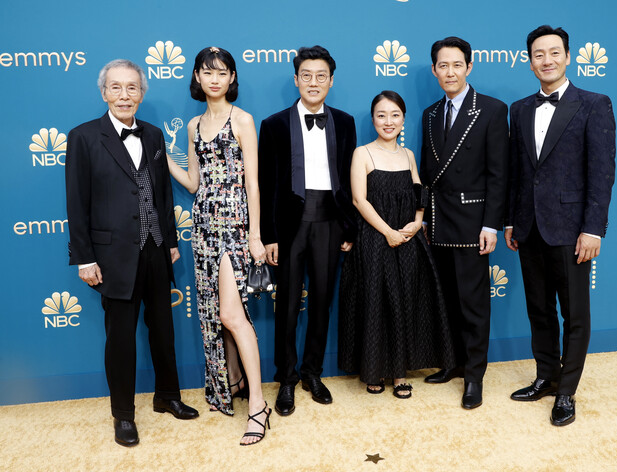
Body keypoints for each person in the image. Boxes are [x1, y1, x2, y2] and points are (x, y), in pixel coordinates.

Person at [65, 59, 199, 447]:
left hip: (155, 248)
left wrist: (170, 242)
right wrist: (85, 258)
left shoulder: (154, 135)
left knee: (163, 331)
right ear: (104, 92)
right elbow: (76, 201)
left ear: (142, 93)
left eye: (132, 88)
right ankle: (123, 415)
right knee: (121, 338)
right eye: (116, 87)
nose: (124, 95)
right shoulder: (83, 137)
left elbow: (163, 194)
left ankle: (167, 396)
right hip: (113, 256)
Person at [505, 25, 615, 426]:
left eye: (554, 53)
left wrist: (593, 228)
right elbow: (518, 172)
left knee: (575, 313)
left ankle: (566, 391)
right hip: (529, 226)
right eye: (538, 54)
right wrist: (510, 221)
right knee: (539, 309)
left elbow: (602, 172)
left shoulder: (594, 104)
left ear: (568, 57)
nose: (546, 60)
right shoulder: (519, 108)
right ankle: (546, 376)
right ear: (529, 61)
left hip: (572, 229)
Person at [166, 47, 270, 445]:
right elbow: (194, 183)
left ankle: (258, 404)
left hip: (235, 227)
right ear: (196, 76)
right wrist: (164, 158)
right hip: (203, 227)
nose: (214, 79)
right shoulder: (193, 126)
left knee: (230, 314)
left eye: (222, 72)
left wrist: (255, 235)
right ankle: (234, 382)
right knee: (215, 314)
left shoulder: (242, 120)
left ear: (231, 78)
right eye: (207, 72)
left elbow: (253, 184)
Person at [258, 45, 357, 416]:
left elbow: (347, 179)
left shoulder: (345, 122)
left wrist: (349, 226)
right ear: (296, 80)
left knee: (321, 300)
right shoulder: (274, 125)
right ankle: (285, 377)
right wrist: (269, 235)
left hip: (330, 220)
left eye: (321, 76)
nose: (313, 82)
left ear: (331, 81)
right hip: (289, 225)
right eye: (306, 76)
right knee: (286, 304)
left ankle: (312, 372)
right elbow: (267, 184)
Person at [338, 91, 455, 399]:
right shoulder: (362, 153)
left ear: (403, 120)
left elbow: (420, 193)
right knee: (376, 304)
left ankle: (401, 373)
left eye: (394, 115)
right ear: (373, 119)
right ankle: (374, 370)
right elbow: (359, 200)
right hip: (374, 240)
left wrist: (418, 222)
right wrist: (387, 232)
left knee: (404, 303)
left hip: (407, 240)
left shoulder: (408, 155)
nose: (388, 121)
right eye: (381, 115)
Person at [420, 37, 509, 409]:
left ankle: (474, 376)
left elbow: (499, 174)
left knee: (473, 304)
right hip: (439, 222)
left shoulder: (490, 109)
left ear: (469, 67)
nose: (450, 72)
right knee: (447, 301)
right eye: (443, 65)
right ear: (434, 70)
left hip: (473, 224)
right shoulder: (430, 114)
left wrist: (491, 225)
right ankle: (453, 362)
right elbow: (428, 172)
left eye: (457, 64)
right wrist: (425, 218)